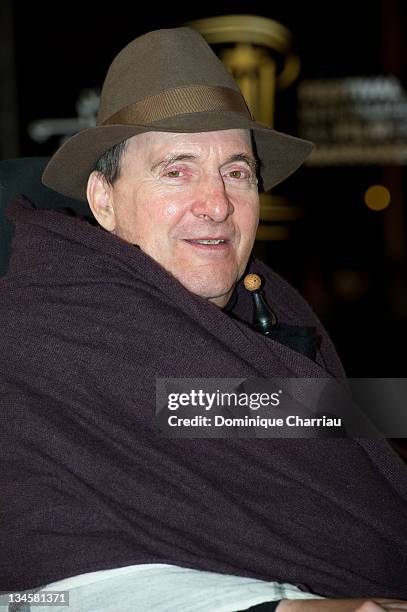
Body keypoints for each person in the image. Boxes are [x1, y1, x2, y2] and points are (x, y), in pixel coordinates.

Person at [0, 27, 406, 612]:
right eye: (176, 170)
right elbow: (41, 585)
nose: (217, 203)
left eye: (237, 172)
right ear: (103, 199)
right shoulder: (39, 338)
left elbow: (263, 413)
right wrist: (278, 607)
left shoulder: (271, 309)